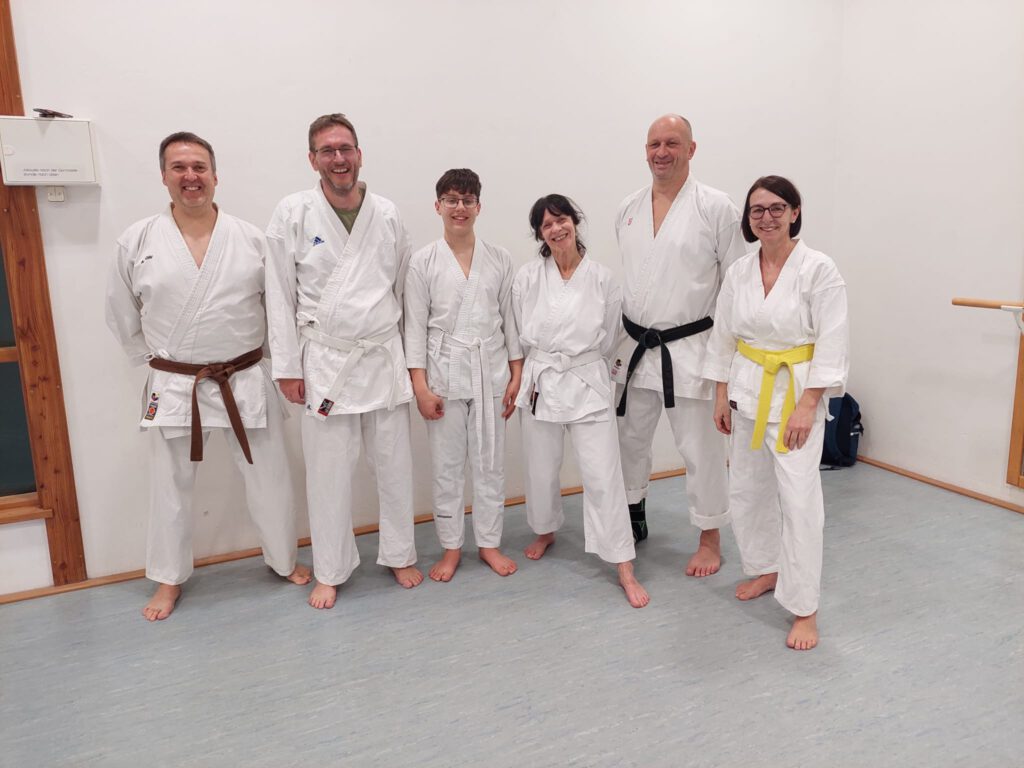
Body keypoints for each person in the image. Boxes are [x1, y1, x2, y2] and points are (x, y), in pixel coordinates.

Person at [106, 131, 310, 621]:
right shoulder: (137, 240)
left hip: (244, 375)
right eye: (179, 167)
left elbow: (278, 310)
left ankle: (282, 560)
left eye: (199, 167)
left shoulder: (251, 239)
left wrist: (281, 366)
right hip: (176, 382)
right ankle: (168, 578)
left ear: (215, 176)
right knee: (169, 487)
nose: (190, 176)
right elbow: (120, 312)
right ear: (164, 176)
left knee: (271, 478)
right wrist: (152, 362)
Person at [265, 113, 422, 610]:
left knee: (394, 467)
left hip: (382, 355)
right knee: (328, 474)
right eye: (328, 150)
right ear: (312, 159)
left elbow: (404, 290)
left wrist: (413, 361)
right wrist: (287, 367)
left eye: (345, 148)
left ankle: (399, 553)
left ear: (359, 154)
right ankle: (330, 569)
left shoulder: (387, 213)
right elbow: (278, 294)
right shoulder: (292, 213)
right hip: (327, 361)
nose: (339, 158)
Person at [703, 175, 849, 650]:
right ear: (748, 219)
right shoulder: (740, 272)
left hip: (794, 397)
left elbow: (832, 341)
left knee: (800, 503)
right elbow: (724, 335)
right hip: (746, 390)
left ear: (794, 212)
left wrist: (809, 404)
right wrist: (721, 392)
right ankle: (767, 568)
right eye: (757, 210)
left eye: (776, 208)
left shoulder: (819, 269)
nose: (766, 217)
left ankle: (805, 608)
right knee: (748, 490)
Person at [614, 114, 747, 577]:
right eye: (654, 144)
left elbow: (736, 286)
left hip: (691, 349)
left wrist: (727, 365)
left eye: (672, 143)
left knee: (700, 450)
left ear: (691, 149)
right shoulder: (628, 208)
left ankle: (710, 538)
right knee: (628, 440)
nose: (661, 152)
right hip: (635, 346)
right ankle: (632, 513)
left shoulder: (716, 208)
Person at [513, 194, 649, 609]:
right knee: (540, 467)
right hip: (542, 378)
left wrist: (582, 364)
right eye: (547, 224)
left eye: (562, 220)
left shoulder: (602, 279)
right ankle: (545, 528)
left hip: (586, 378)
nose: (556, 229)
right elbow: (519, 331)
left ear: (575, 222)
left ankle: (622, 561)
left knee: (603, 474)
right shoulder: (528, 277)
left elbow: (609, 338)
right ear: (539, 234)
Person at [405, 169, 523, 582]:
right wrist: (420, 387)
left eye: (467, 200)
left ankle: (489, 543)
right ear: (438, 206)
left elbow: (510, 320)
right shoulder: (422, 262)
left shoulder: (500, 259)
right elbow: (414, 328)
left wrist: (517, 373)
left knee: (491, 464)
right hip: (444, 375)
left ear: (479, 207)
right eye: (452, 200)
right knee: (447, 467)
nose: (460, 207)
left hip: (491, 372)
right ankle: (451, 547)